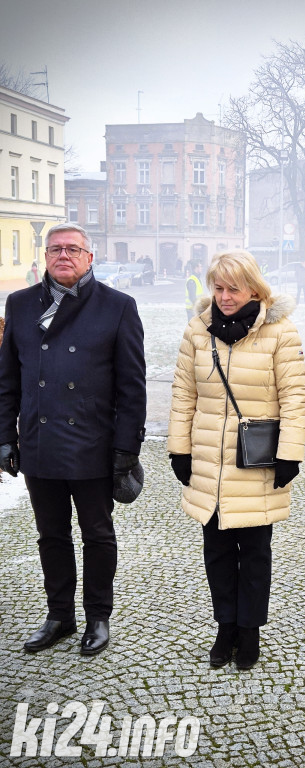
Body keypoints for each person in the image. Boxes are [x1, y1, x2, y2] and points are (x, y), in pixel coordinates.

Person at [0, 223, 146, 656]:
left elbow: (132, 388)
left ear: (89, 257)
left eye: (73, 249)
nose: (64, 255)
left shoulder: (117, 306)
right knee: (50, 534)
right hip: (41, 444)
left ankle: (98, 616)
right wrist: (5, 435)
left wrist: (125, 450)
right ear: (45, 257)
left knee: (97, 534)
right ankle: (59, 615)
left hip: (92, 442)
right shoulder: (21, 304)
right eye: (55, 249)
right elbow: (7, 379)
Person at [167, 250, 305, 670]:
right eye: (218, 288)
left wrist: (289, 455)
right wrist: (180, 448)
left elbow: (295, 399)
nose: (225, 297)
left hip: (257, 460)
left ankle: (250, 630)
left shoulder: (280, 332)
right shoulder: (198, 330)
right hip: (210, 458)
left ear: (253, 288)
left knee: (256, 553)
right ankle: (225, 626)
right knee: (218, 552)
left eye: (233, 288)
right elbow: (183, 394)